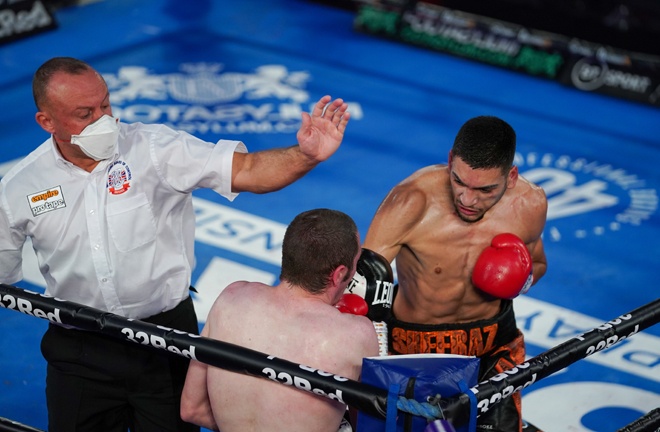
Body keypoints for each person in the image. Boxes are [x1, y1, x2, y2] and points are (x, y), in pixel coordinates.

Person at [0, 57, 350, 432]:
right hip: (80, 350)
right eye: (84, 113)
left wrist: (306, 155)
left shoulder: (153, 148)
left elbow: (246, 169)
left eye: (105, 105)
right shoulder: (18, 187)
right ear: (46, 122)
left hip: (166, 342)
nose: (102, 120)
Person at [362, 115, 548, 432]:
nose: (467, 198)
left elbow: (538, 263)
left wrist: (519, 279)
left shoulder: (529, 205)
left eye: (486, 189)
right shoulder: (411, 201)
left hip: (492, 345)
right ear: (450, 161)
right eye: (459, 181)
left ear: (511, 177)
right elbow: (365, 277)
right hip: (414, 348)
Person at [180, 208, 380, 432]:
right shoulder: (357, 334)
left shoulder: (231, 297)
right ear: (339, 274)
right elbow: (369, 427)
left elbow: (192, 408)